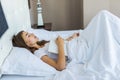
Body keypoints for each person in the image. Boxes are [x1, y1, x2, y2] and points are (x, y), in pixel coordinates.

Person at [12, 31, 79, 71]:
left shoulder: (42, 43)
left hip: (74, 45)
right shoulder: (38, 53)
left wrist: (72, 37)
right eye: (28, 35)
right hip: (76, 52)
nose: (32, 33)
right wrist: (60, 44)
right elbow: (60, 67)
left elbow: (61, 45)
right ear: (27, 44)